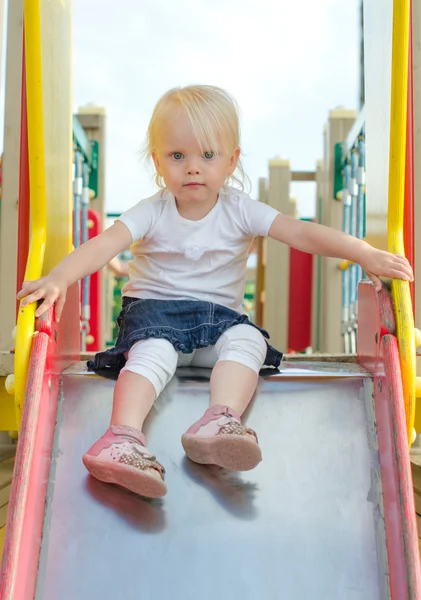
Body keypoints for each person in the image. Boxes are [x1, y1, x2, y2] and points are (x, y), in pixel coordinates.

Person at [17, 85, 413, 499]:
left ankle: (220, 420)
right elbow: (103, 246)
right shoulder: (152, 211)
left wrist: (364, 252)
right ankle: (121, 438)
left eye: (207, 155)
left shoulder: (240, 208)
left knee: (247, 339)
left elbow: (301, 233)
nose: (192, 168)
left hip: (217, 322)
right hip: (156, 315)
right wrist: (59, 278)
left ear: (231, 161)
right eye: (177, 156)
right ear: (158, 162)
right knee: (155, 353)